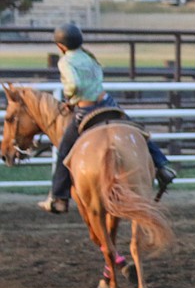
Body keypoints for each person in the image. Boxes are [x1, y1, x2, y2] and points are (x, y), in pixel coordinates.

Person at [39, 22, 177, 214]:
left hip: (86, 109)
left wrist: (70, 97)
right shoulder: (89, 56)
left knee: (64, 151)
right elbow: (98, 77)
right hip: (108, 103)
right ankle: (162, 165)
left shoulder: (65, 61)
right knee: (138, 132)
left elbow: (74, 84)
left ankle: (59, 197)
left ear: (60, 46)